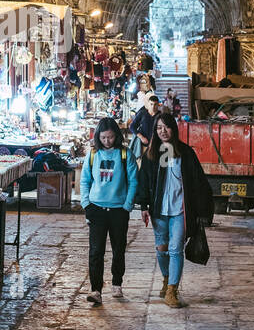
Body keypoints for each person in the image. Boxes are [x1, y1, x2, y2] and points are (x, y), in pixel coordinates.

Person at [136, 111, 213, 308]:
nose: (163, 131)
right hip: (159, 211)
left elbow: (199, 183)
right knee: (162, 249)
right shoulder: (151, 155)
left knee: (175, 249)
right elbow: (143, 182)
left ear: (174, 129)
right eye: (159, 128)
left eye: (166, 127)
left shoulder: (186, 153)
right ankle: (165, 278)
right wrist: (143, 205)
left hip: (180, 210)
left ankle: (172, 290)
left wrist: (203, 212)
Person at [79, 116, 138, 305]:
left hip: (118, 210)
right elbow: (85, 180)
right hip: (96, 209)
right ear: (98, 136)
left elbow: (133, 181)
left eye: (110, 137)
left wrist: (127, 205)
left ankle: (117, 282)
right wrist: (86, 204)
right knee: (96, 251)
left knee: (118, 248)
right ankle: (96, 290)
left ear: (116, 136)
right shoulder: (93, 154)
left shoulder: (125, 154)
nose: (107, 141)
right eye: (103, 137)